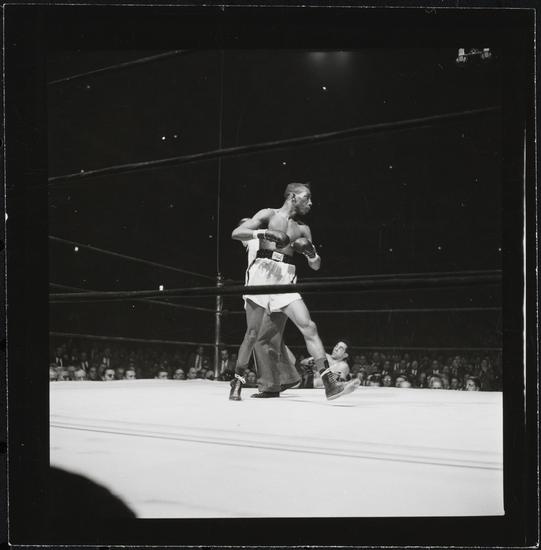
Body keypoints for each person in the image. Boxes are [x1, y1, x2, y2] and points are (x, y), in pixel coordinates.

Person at [229, 182, 358, 401]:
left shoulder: (303, 228)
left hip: (286, 276)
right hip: (261, 273)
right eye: (307, 197)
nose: (311, 202)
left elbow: (315, 265)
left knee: (309, 326)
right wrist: (265, 233)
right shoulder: (268, 214)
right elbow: (237, 232)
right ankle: (237, 381)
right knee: (252, 334)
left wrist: (311, 253)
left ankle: (329, 383)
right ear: (292, 197)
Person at [238, 218, 301, 398]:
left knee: (260, 337)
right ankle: (288, 376)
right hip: (272, 284)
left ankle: (270, 384)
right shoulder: (258, 240)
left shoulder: (255, 240)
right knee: (271, 335)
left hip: (264, 288)